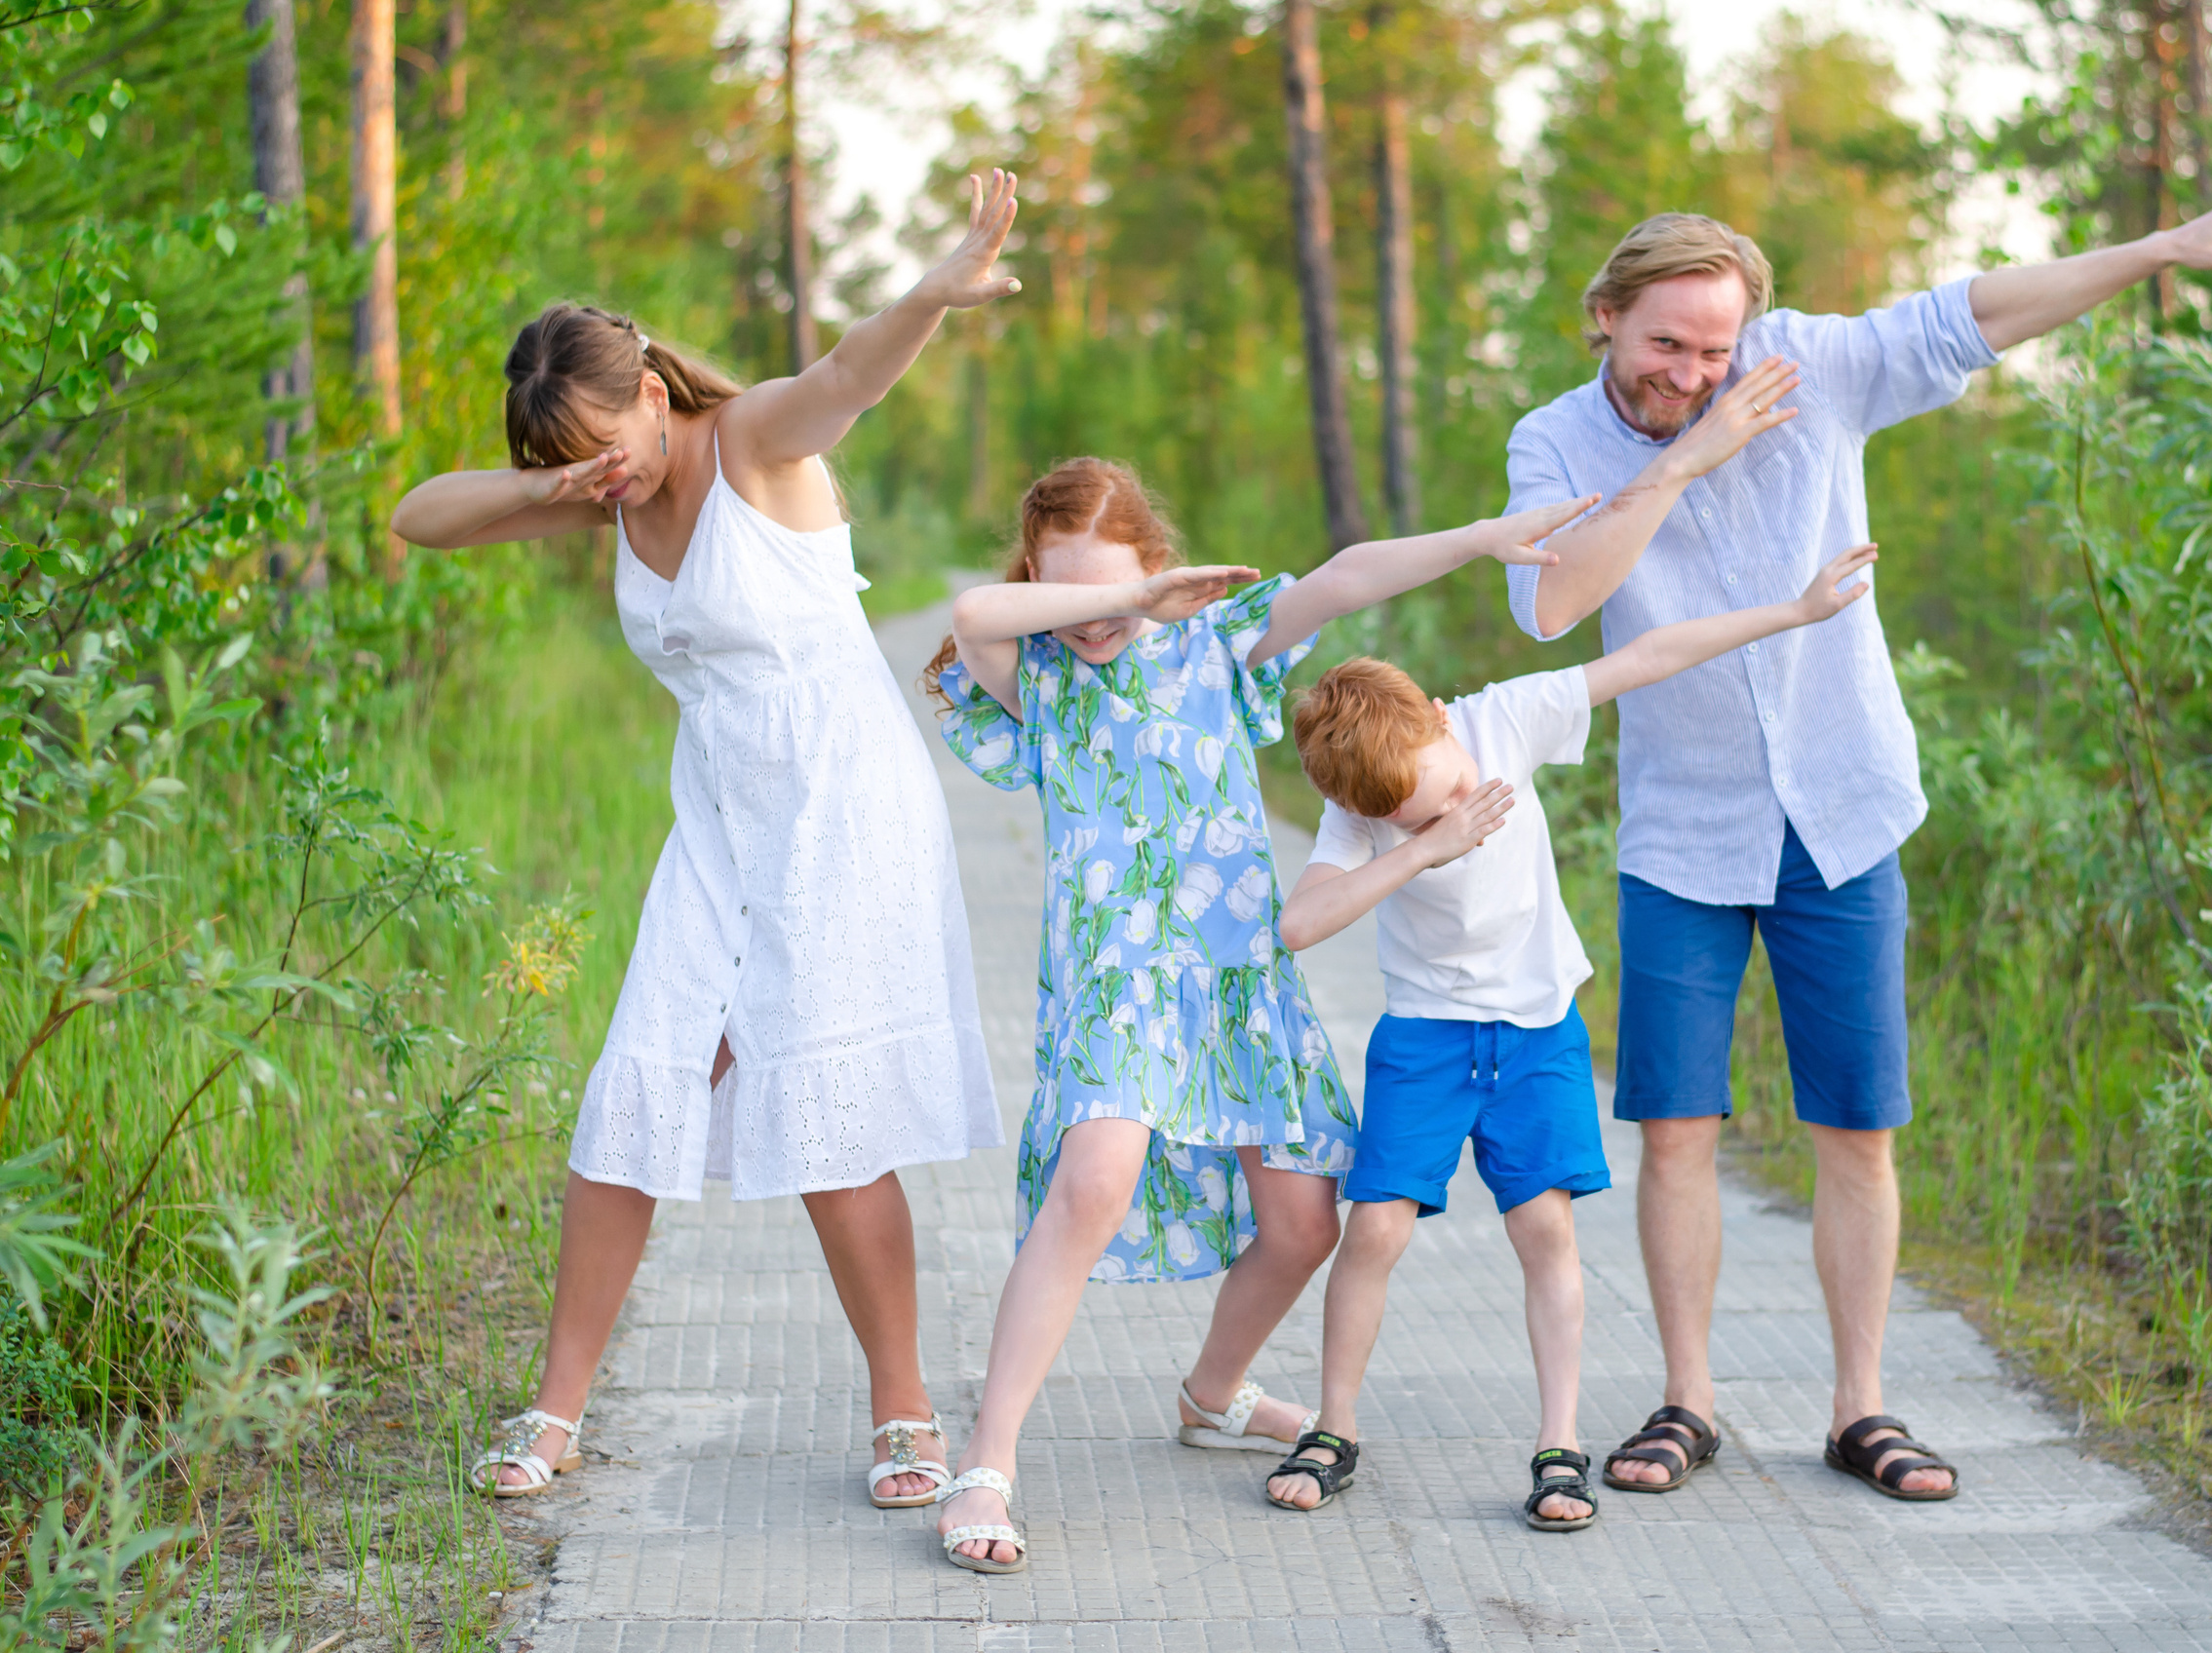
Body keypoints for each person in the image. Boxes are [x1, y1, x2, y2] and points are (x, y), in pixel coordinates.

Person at [1503, 181, 2212, 1502]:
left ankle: (1859, 1410)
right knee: (1676, 1133)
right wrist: (1683, 463)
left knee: (1858, 1131)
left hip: (1842, 809)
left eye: (1717, 350)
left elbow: (1979, 313)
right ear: (1604, 322)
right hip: (1680, 834)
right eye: (1668, 347)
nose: (1699, 375)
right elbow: (1552, 606)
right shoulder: (1552, 442)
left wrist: (2159, 250)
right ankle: (1686, 1403)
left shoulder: (1810, 366)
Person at [391, 172, 1028, 1509]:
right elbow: (420, 519)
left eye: (609, 430)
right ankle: (554, 1412)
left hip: (841, 808)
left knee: (826, 1119)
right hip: (722, 821)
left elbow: (847, 373)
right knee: (638, 1081)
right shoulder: (605, 492)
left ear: (654, 389)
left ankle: (905, 1408)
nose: (607, 464)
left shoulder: (753, 445)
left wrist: (935, 284)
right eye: (570, 448)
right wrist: (566, 483)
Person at [921, 458, 1595, 1572]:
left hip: (1240, 981)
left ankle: (1212, 1392)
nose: (1094, 619)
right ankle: (986, 1461)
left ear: (1158, 558)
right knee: (1093, 1180)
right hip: (1116, 982)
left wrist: (1481, 535)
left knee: (1300, 1225)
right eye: (1071, 595)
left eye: (1118, 588)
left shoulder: (1215, 639)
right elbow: (973, 612)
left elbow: (1345, 578)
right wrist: (1111, 600)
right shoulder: (1034, 671)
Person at [1263, 531, 1876, 1531]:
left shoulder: (1500, 718)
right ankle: (1334, 1427)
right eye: (1420, 816)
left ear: (1437, 721)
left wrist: (1796, 610)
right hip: (1423, 1038)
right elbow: (1298, 926)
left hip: (1535, 1033)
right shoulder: (1367, 814)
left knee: (1543, 1227)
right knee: (1371, 1229)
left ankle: (1558, 1444)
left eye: (1453, 787)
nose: (1455, 810)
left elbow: (1646, 656)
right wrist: (1421, 851)